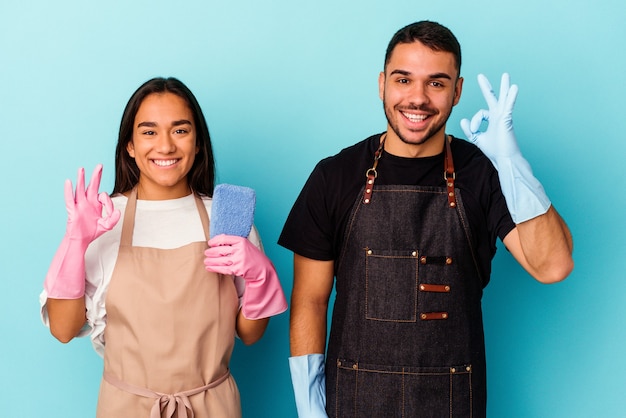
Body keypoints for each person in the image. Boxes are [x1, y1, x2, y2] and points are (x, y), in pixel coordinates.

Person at [279, 21, 573, 417]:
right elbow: (310, 301)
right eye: (404, 80)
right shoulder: (335, 176)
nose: (417, 98)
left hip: (452, 400)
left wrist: (512, 165)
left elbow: (552, 266)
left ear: (458, 91)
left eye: (436, 83)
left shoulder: (482, 174)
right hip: (354, 399)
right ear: (382, 84)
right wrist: (310, 406)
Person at [39, 77, 287, 417]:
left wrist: (261, 278)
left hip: (213, 406)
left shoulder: (225, 218)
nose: (166, 146)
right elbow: (63, 330)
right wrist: (75, 242)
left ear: (198, 142)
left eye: (180, 130)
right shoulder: (102, 221)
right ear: (129, 144)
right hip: (126, 407)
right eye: (149, 131)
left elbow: (250, 334)